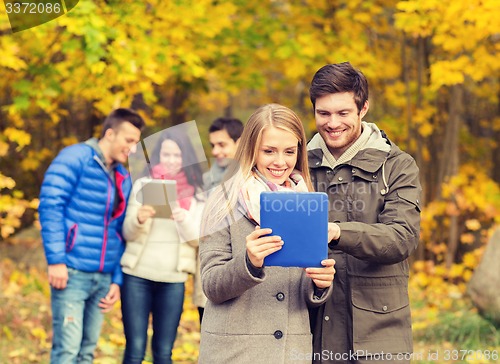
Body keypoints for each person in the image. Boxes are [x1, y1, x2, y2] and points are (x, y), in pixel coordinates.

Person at [198, 103, 336, 364]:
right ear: (251, 149)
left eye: (289, 151)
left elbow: (301, 290)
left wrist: (320, 284)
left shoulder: (306, 201)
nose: (280, 161)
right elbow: (211, 285)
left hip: (290, 352)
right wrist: (248, 262)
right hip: (235, 353)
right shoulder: (223, 200)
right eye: (269, 151)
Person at [307, 62, 422, 364]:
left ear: (363, 108)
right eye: (324, 113)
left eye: (343, 113)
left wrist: (339, 232)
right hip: (313, 332)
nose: (333, 123)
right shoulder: (298, 164)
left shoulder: (396, 165)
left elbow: (403, 238)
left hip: (379, 335)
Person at [39, 108, 145, 363]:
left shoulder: (121, 175)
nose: (132, 148)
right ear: (110, 134)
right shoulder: (75, 157)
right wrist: (56, 261)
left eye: (136, 143)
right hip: (72, 273)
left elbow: (118, 230)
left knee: (87, 353)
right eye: (128, 140)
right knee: (67, 352)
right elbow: (50, 205)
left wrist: (116, 280)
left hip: (103, 278)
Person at [120, 129, 205, 364]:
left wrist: (182, 216)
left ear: (185, 158)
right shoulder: (143, 185)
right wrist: (139, 218)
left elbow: (198, 239)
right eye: (166, 155)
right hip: (137, 275)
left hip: (173, 280)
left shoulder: (196, 193)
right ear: (158, 156)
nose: (171, 160)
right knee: (135, 349)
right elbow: (127, 232)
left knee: (163, 351)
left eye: (177, 156)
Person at [196, 116, 244, 324]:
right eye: (213, 145)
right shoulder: (206, 180)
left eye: (222, 144)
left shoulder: (251, 179)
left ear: (239, 142)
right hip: (210, 270)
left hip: (243, 273)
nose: (215, 152)